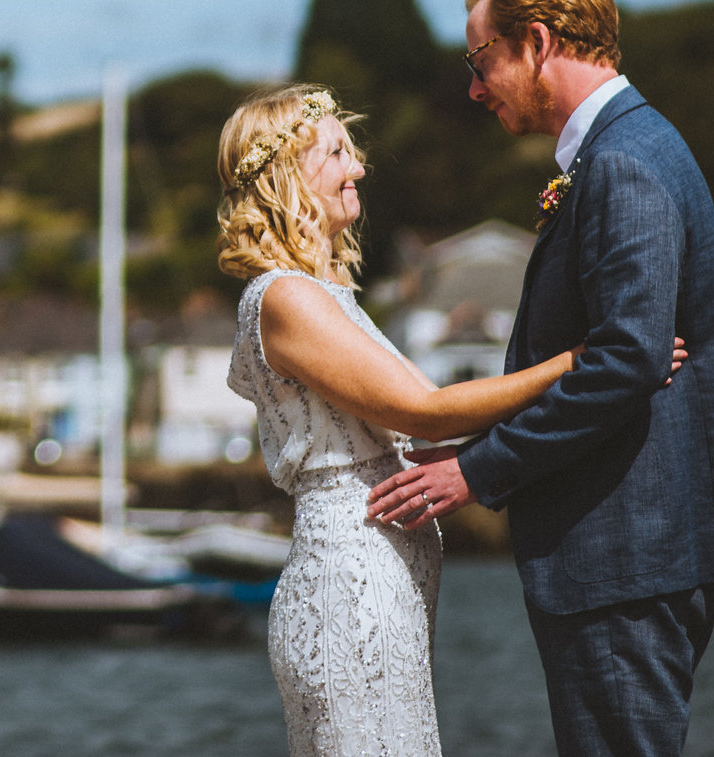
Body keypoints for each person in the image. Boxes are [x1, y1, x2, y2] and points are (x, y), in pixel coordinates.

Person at [366, 0, 714, 757]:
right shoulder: (628, 150)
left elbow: (626, 358)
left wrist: (474, 470)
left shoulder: (622, 164)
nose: (475, 88)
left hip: (625, 554)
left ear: (539, 42)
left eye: (482, 62)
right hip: (637, 551)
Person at [220, 84, 683, 757]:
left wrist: (602, 389)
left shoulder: (324, 294)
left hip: (380, 586)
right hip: (349, 591)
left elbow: (415, 433)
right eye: (337, 152)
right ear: (287, 174)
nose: (358, 167)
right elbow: (425, 411)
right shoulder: (285, 297)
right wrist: (584, 361)